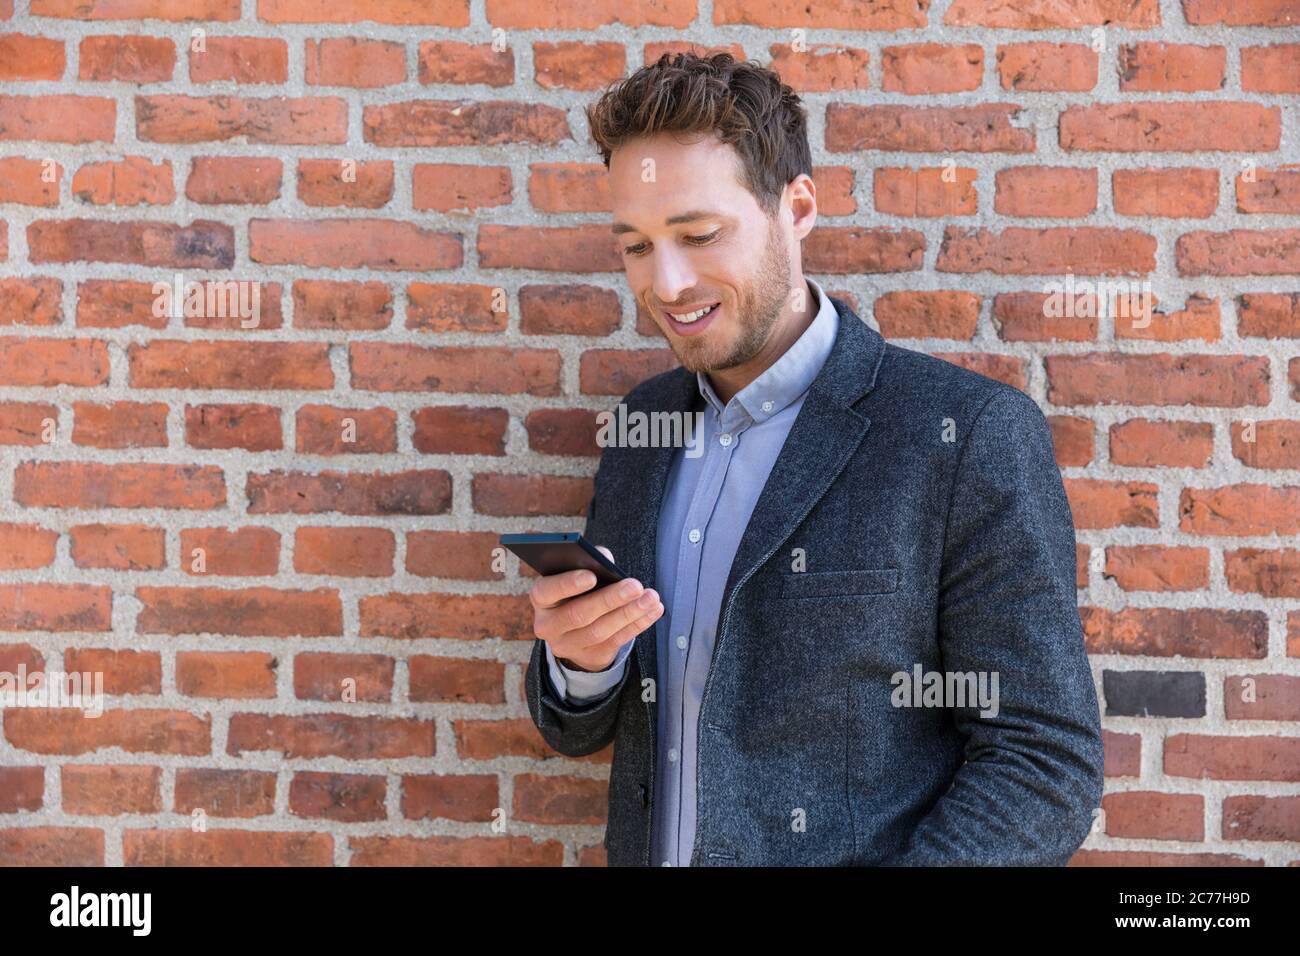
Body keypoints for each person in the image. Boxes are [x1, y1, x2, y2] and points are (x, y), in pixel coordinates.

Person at [523, 51, 1104, 866]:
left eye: (697, 234)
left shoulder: (965, 433)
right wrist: (583, 665)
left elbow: (1045, 759)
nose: (668, 281)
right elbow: (585, 729)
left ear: (797, 207)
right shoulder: (641, 427)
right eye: (636, 245)